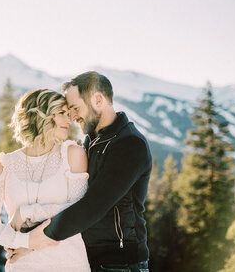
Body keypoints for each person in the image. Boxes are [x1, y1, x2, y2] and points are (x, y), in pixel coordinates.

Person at [13, 72, 152, 272]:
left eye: (75, 108)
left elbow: (92, 206)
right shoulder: (90, 143)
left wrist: (32, 242)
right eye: (68, 111)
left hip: (120, 263)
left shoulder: (129, 144)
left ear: (98, 100)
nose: (72, 116)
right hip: (85, 259)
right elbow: (69, 202)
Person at [0, 89, 91, 271]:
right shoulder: (3, 165)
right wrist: (24, 241)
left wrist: (27, 212)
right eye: (61, 113)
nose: (68, 120)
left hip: (69, 264)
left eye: (68, 113)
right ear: (40, 116)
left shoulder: (73, 154)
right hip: (22, 266)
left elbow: (79, 211)